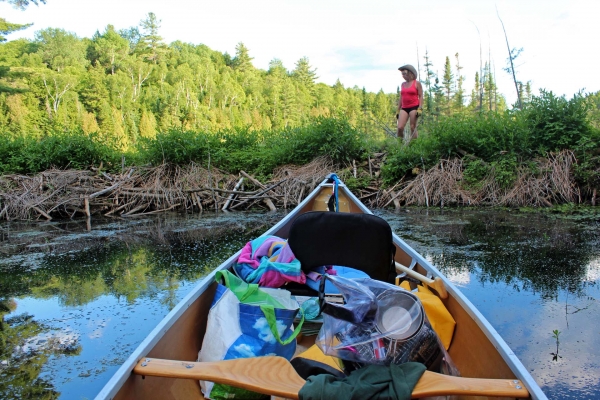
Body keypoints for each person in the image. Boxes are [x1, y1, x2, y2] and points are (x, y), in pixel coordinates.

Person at [396, 64, 424, 142]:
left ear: (410, 73)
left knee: (412, 127)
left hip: (414, 107)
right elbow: (401, 97)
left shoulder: (416, 83)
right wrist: (398, 109)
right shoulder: (403, 84)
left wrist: (420, 108)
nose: (403, 76)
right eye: (402, 74)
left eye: (404, 74)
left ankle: (413, 145)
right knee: (400, 127)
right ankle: (399, 145)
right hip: (404, 108)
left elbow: (421, 95)